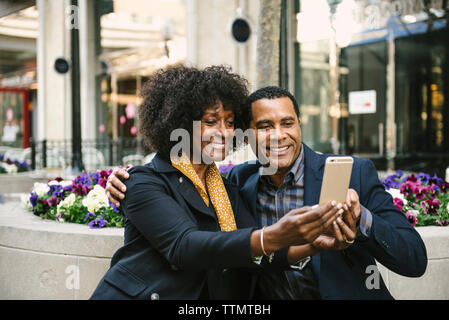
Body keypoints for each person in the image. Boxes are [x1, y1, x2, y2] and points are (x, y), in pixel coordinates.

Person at [108, 85, 428, 300]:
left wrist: (363, 221)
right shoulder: (235, 183)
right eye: (264, 127)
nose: (278, 136)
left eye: (287, 123)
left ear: (299, 125)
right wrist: (124, 189)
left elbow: (415, 260)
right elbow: (184, 217)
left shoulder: (353, 172)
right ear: (246, 135)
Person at [91, 66, 351, 300]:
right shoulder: (142, 182)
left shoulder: (226, 190)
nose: (224, 132)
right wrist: (272, 235)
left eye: (229, 122)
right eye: (210, 121)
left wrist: (311, 245)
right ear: (180, 124)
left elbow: (258, 256)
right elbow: (184, 247)